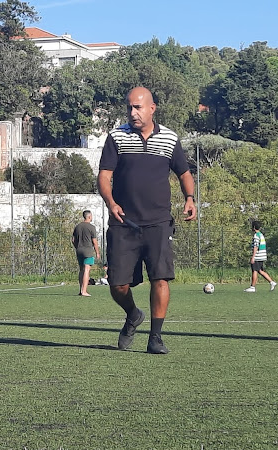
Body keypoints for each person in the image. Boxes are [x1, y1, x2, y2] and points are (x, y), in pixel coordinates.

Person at [97, 86, 197, 354]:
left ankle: (156, 337)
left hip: (158, 222)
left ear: (152, 108)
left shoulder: (169, 139)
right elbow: (104, 176)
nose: (133, 112)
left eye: (138, 107)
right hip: (123, 223)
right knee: (117, 284)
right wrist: (111, 203)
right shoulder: (116, 137)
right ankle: (132, 314)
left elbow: (184, 173)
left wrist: (190, 197)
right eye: (129, 107)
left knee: (160, 279)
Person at [72, 210, 100, 296]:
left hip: (79, 250)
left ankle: (81, 290)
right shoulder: (91, 227)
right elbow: (94, 241)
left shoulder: (77, 226)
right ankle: (84, 291)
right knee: (87, 270)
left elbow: (73, 240)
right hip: (88, 251)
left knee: (81, 270)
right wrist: (97, 252)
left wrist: (77, 247)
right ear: (89, 217)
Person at [244, 221, 277, 292]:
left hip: (258, 256)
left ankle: (252, 287)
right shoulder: (261, 235)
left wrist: (253, 257)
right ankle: (272, 282)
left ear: (254, 227)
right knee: (260, 271)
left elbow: (256, 246)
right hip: (262, 255)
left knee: (254, 270)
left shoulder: (256, 235)